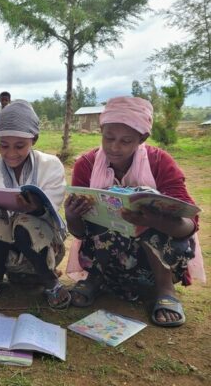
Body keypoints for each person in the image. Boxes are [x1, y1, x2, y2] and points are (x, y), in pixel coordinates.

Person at [65, 96, 201, 327]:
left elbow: (189, 225)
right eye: (108, 138)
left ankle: (164, 288)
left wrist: (153, 220)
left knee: (149, 223)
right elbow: (80, 233)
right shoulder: (86, 164)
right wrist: (72, 215)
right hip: (110, 258)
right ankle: (96, 278)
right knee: (101, 217)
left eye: (126, 141)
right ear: (101, 131)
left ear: (142, 138)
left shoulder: (160, 162)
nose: (114, 147)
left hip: (152, 259)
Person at [0, 100, 70, 308]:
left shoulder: (50, 166)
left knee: (25, 223)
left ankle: (50, 281)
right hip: (9, 250)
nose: (10, 153)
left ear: (34, 139)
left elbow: (51, 210)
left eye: (20, 146)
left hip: (45, 246)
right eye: (3, 145)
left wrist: (34, 207)